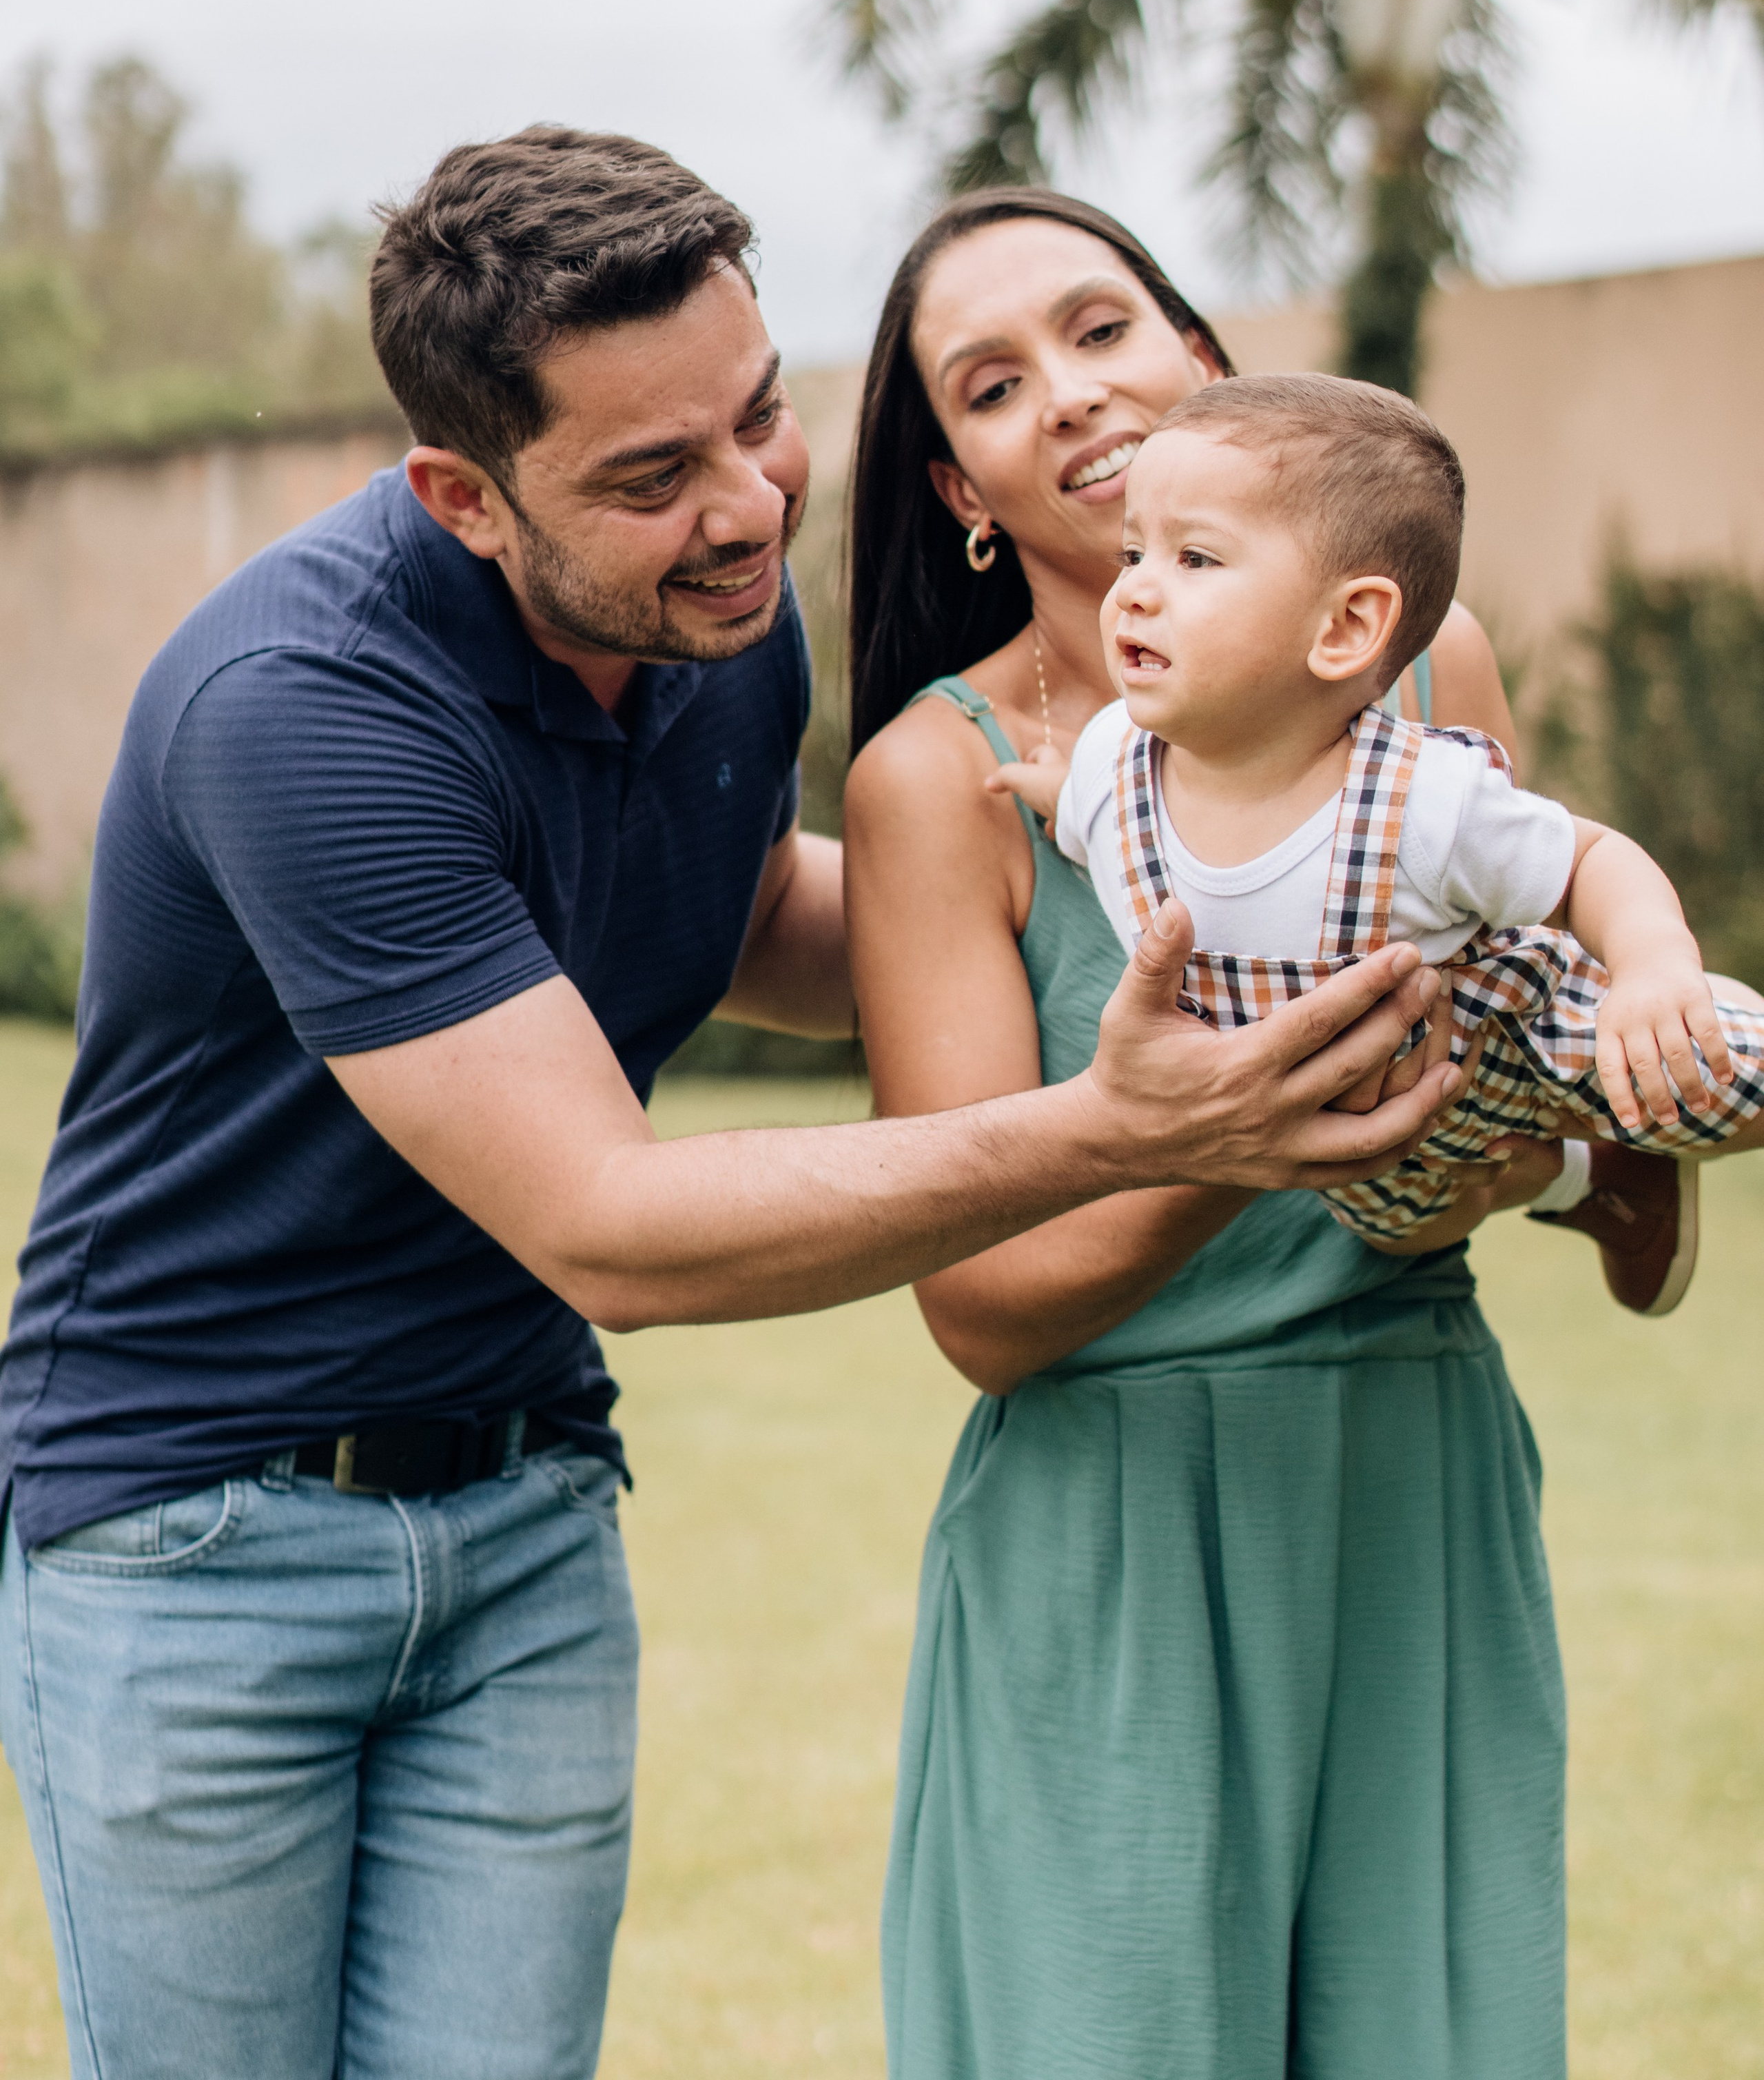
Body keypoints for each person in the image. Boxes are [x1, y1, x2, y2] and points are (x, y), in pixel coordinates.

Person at [0, 132, 1454, 2080]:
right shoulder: (304, 706)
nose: (748, 507)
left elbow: (743, 905)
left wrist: (1121, 904)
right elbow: (612, 1227)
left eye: (758, 418)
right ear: (463, 496)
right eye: (649, 475)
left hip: (524, 1516)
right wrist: (1126, 1130)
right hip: (200, 1539)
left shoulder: (714, 611)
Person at [841, 187, 1740, 2080]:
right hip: (1113, 1540)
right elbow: (984, 1314)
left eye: (1103, 332)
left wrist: (1562, 1164)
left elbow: (1557, 1069)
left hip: (1412, 1478)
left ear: (1202, 362)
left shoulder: (1426, 675)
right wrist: (1221, 1137)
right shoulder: (948, 784)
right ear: (964, 499)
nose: (1071, 397)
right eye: (991, 387)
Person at [1050, 371, 1764, 1255]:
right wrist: (1054, 785)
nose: (1134, 591)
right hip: (1365, 1137)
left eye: (1193, 559)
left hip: (1523, 1039)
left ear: (1346, 626)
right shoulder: (1106, 763)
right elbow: (1095, 822)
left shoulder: (1423, 797)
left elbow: (1586, 860)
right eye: (1132, 555)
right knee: (1399, 1231)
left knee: (1706, 1081)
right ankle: (1602, 1184)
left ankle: (1707, 1019)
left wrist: (1655, 965)